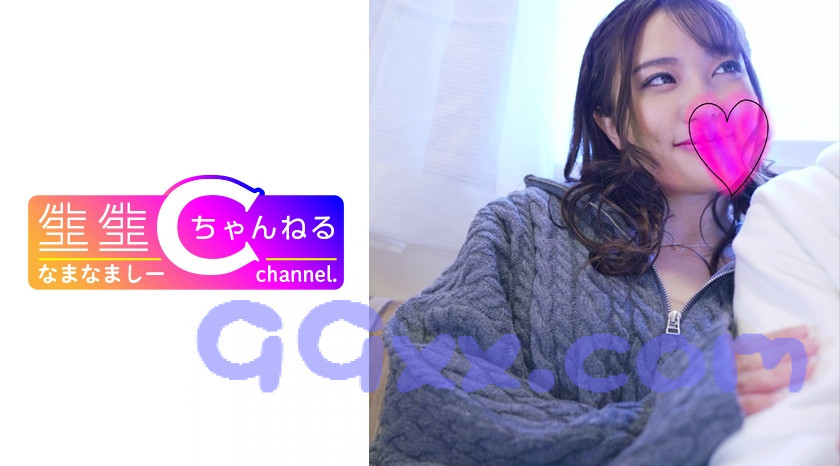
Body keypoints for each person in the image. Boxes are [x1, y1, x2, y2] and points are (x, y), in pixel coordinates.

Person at [370, 0, 817, 464]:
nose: (707, 101)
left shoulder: (800, 247)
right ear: (612, 125)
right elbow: (430, 403)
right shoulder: (522, 231)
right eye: (661, 79)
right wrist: (681, 418)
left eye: (725, 67)